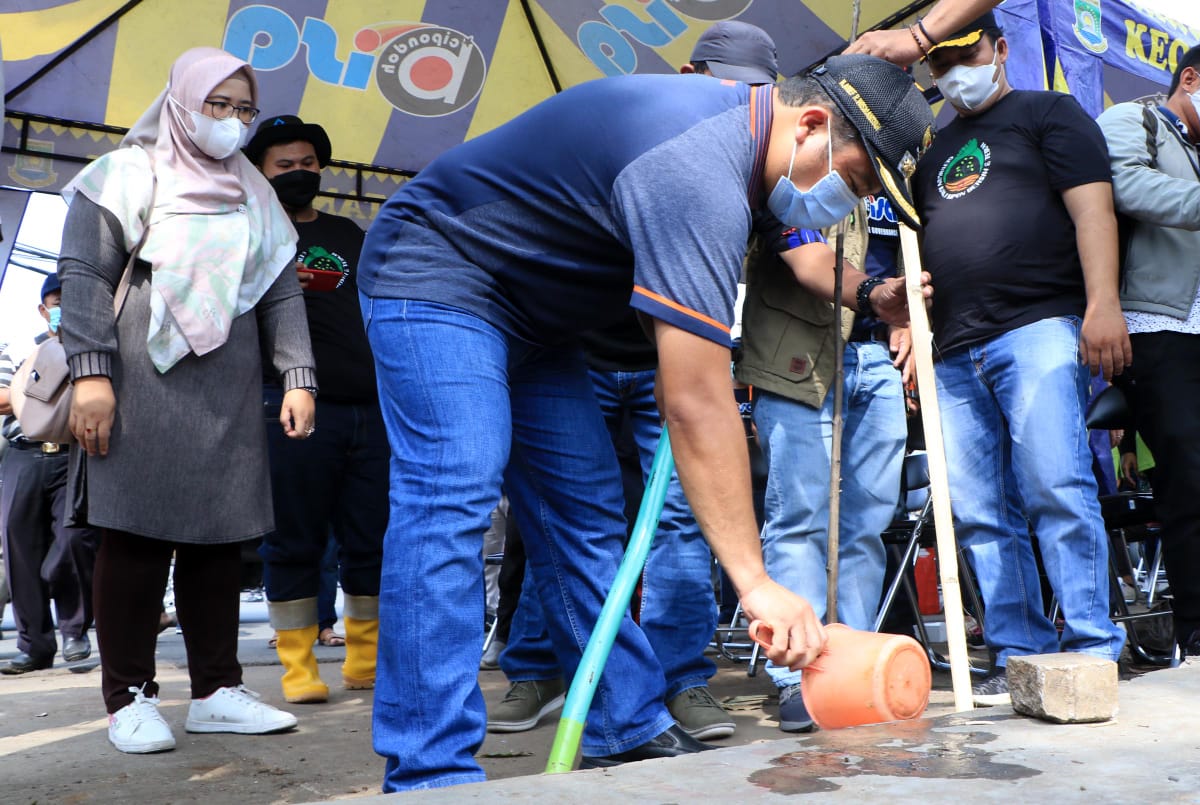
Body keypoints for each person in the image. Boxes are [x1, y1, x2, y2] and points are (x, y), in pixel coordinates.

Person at [358, 52, 934, 790]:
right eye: (852, 182)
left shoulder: (752, 149)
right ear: (813, 123)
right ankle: (430, 765)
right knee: (456, 485)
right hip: (438, 269)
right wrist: (755, 582)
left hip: (538, 319)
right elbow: (695, 399)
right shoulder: (697, 166)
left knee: (585, 509)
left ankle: (625, 723)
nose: (844, 203)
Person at [486, 18, 782, 745]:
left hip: (666, 367)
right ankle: (539, 667)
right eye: (722, 84)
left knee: (680, 520)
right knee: (562, 515)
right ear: (688, 76)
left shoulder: (749, 166)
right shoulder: (628, 128)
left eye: (749, 93)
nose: (732, 102)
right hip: (573, 355)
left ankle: (680, 679)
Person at [58, 47, 314, 754]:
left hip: (226, 387)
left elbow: (280, 289)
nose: (230, 122)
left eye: (242, 110)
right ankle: (128, 696)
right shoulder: (124, 173)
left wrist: (298, 375)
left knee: (219, 541)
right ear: (181, 99)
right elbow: (82, 273)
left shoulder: (252, 192)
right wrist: (91, 373)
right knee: (135, 536)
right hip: (138, 381)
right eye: (217, 105)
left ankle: (215, 691)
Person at [914, 14, 1128, 705]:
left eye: (965, 54)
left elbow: (1095, 211)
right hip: (951, 346)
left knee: (1055, 486)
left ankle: (1093, 647)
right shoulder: (930, 149)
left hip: (1037, 327)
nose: (953, 72)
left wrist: (1102, 303)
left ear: (1000, 49)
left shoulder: (1049, 113)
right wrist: (913, 338)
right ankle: (1018, 654)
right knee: (980, 513)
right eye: (939, 63)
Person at [735, 201, 909, 732]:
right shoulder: (801, 167)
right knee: (799, 519)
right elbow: (800, 257)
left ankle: (848, 670)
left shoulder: (905, 171)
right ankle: (798, 676)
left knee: (867, 529)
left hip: (878, 356)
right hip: (799, 356)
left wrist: (914, 323)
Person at [244, 114, 387, 704]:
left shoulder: (351, 233)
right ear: (259, 172)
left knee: (371, 537)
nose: (299, 173)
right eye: (285, 166)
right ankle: (299, 665)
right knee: (294, 539)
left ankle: (366, 658)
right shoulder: (248, 235)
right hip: (289, 407)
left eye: (307, 164)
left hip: (370, 409)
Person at [1096, 43, 1200, 657]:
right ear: (1190, 79)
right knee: (1191, 479)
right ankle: (1198, 625)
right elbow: (1126, 186)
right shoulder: (1133, 120)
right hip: (1162, 326)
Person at [0, 274, 99, 674]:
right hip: (22, 456)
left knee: (73, 542)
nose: (63, 307)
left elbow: (14, 398)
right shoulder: (20, 347)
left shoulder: (93, 349)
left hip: (74, 457)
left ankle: (75, 631)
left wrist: (32, 393)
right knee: (20, 552)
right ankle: (34, 647)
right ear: (44, 309)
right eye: (57, 301)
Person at [846, 0, 1004, 68]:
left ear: (1001, 49)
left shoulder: (1028, 110)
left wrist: (918, 36)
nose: (958, 72)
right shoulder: (939, 136)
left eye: (968, 55)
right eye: (941, 64)